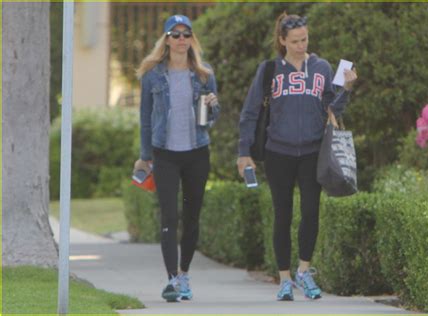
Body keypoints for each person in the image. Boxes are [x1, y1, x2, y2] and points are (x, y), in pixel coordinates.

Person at [237, 13, 357, 301]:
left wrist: (347, 89)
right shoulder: (269, 70)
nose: (301, 45)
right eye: (295, 41)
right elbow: (250, 113)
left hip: (313, 151)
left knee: (311, 212)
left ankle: (304, 270)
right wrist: (243, 153)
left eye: (305, 39)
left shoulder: (322, 68)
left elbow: (333, 110)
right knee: (283, 214)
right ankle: (284, 279)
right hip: (278, 151)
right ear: (282, 41)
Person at [134, 14, 220, 302]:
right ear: (166, 40)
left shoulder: (205, 74)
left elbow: (211, 120)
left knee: (192, 218)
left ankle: (184, 274)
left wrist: (213, 106)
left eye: (186, 34)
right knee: (169, 216)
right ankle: (171, 280)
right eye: (175, 34)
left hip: (197, 153)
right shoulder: (153, 75)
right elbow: (145, 119)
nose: (181, 40)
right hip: (165, 154)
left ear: (191, 39)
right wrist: (145, 157)